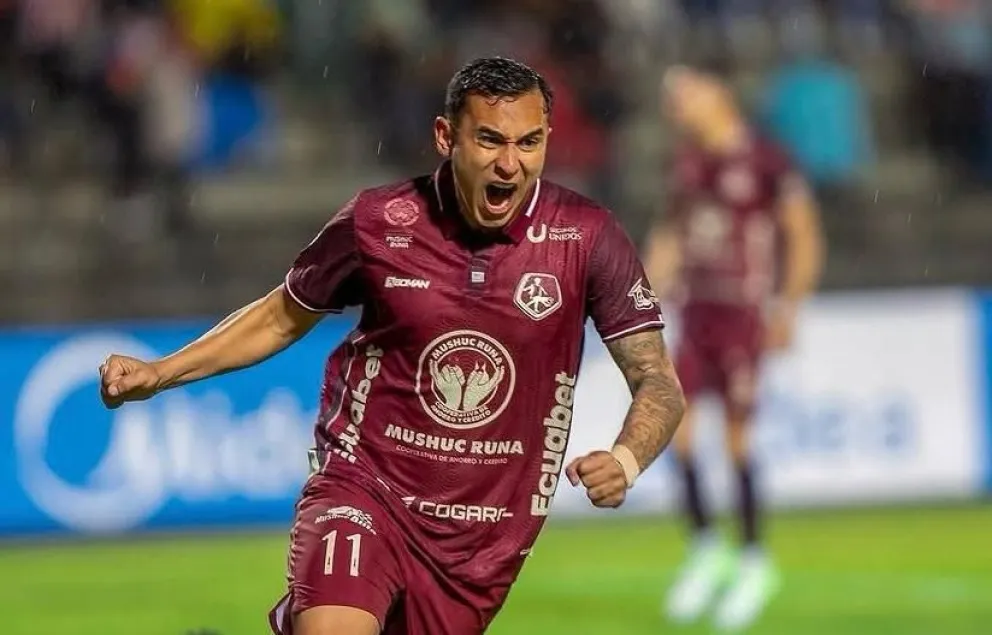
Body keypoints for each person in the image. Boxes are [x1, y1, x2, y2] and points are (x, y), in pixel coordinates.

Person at [98, 56, 687, 635]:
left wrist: (626, 459)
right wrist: (162, 371)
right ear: (445, 136)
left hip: (483, 541)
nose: (510, 164)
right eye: (489, 140)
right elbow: (280, 317)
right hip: (365, 485)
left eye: (529, 143)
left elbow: (658, 380)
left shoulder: (586, 237)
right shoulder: (378, 222)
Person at [643, 65, 824, 631]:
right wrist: (641, 304)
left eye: (684, 93)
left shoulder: (768, 160)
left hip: (742, 316)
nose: (675, 105)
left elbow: (803, 233)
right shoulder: (686, 163)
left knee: (740, 440)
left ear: (718, 94)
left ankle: (752, 558)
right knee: (677, 431)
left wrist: (789, 306)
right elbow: (669, 237)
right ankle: (705, 547)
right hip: (693, 314)